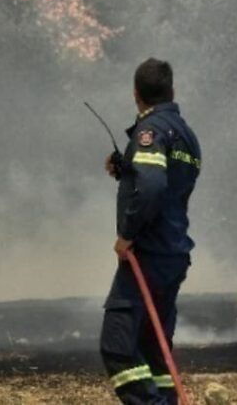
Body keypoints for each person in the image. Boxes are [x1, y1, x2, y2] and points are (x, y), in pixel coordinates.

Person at [100, 58, 202, 405]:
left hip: (149, 253)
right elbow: (166, 181)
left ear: (136, 95)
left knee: (118, 346)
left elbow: (154, 185)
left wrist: (128, 233)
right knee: (153, 348)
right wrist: (126, 170)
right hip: (172, 253)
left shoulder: (151, 131)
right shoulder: (186, 135)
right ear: (171, 91)